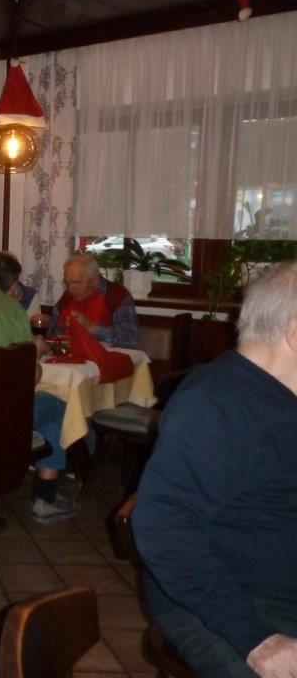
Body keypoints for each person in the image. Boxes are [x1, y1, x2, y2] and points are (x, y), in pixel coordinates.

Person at [133, 261, 297, 678]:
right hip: (225, 600)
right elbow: (164, 531)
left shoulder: (282, 394)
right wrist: (256, 638)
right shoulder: (213, 405)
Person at [0, 252, 75, 522]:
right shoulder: (13, 310)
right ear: (13, 282)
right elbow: (27, 378)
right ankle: (45, 497)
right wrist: (36, 354)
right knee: (57, 404)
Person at [49, 253, 139, 349]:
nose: (71, 288)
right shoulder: (67, 298)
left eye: (77, 283)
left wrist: (92, 327)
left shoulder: (117, 296)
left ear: (94, 280)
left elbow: (131, 341)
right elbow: (52, 335)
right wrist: (54, 325)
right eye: (67, 283)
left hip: (107, 356)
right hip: (71, 356)